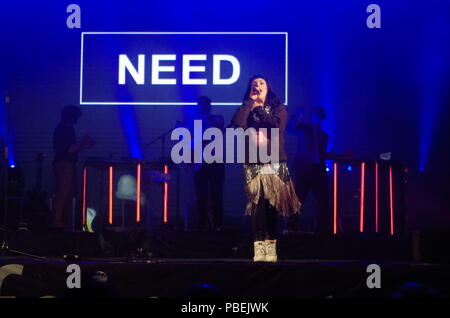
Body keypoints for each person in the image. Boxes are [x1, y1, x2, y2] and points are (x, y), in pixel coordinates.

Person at [232, 76, 300, 262]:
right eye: (254, 84)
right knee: (257, 204)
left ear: (268, 87)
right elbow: (237, 123)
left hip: (274, 161)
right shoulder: (247, 107)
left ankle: (271, 244)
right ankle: (258, 246)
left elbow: (276, 126)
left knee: (273, 205)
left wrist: (259, 109)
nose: (257, 86)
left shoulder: (279, 109)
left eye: (261, 83)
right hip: (253, 161)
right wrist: (249, 103)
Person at [286, 106, 331, 234]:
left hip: (318, 171)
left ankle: (323, 229)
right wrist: (295, 115)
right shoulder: (304, 128)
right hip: (304, 170)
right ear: (311, 116)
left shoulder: (324, 135)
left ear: (322, 117)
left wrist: (332, 155)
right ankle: (292, 227)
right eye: (315, 114)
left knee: (322, 201)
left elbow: (321, 154)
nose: (317, 116)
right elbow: (289, 129)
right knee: (298, 199)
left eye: (319, 114)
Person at [52, 105, 94, 230]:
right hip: (64, 164)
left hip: (65, 163)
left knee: (68, 193)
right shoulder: (65, 129)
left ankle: (64, 221)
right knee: (63, 193)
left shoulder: (63, 128)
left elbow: (71, 149)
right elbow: (69, 149)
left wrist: (84, 145)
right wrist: (83, 142)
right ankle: (57, 222)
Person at [187, 96, 225, 231]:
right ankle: (202, 223)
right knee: (200, 194)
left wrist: (203, 120)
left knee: (216, 193)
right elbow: (187, 138)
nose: (201, 107)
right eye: (199, 105)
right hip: (199, 162)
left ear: (209, 106)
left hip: (215, 162)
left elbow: (213, 134)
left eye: (204, 105)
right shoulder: (193, 121)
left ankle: (218, 224)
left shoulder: (217, 118)